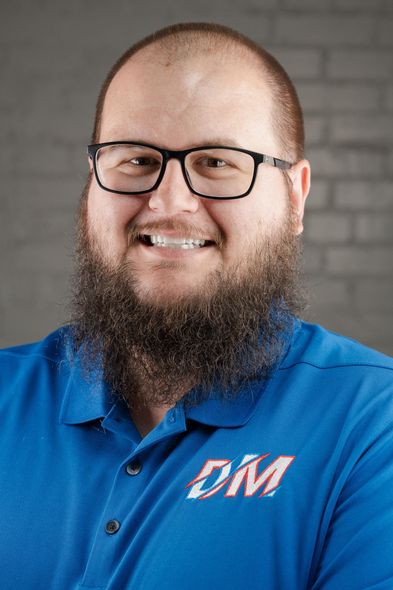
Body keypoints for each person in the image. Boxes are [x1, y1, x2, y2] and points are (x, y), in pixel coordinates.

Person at [1, 22, 393, 590]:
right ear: (91, 185)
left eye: (217, 162)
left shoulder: (373, 424)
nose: (169, 201)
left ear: (295, 196)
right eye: (135, 159)